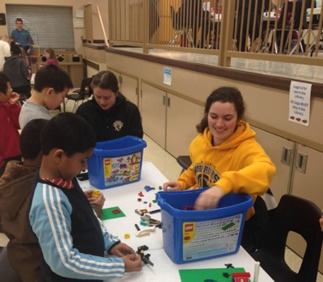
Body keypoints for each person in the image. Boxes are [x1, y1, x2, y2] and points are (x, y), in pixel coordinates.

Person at [29, 113, 142, 280]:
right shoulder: (49, 201)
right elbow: (64, 262)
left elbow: (88, 216)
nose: (84, 168)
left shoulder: (64, 178)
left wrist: (109, 242)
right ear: (58, 156)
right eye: (82, 161)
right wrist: (119, 266)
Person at [163, 87, 276, 248]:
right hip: (206, 220)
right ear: (206, 114)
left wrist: (222, 186)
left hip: (235, 227)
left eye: (227, 118)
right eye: (213, 116)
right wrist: (182, 183)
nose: (219, 124)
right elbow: (197, 167)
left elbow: (266, 169)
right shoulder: (200, 142)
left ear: (238, 119)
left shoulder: (246, 148)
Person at [0, 119, 48, 281]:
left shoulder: (11, 179)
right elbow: (74, 235)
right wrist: (93, 209)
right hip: (38, 269)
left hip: (18, 257)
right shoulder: (40, 192)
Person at [76, 71, 143, 142]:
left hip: (122, 152)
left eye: (107, 97)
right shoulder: (84, 110)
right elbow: (78, 139)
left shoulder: (130, 111)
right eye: (98, 97)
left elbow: (136, 140)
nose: (102, 102)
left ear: (116, 93)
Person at [19, 64, 73, 129]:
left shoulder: (27, 108)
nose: (62, 101)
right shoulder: (39, 120)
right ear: (50, 92)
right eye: (63, 97)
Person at [0, 72, 21, 177]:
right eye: (9, 87)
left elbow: (18, 123)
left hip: (15, 153)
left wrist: (13, 105)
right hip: (3, 161)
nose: (11, 90)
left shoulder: (7, 106)